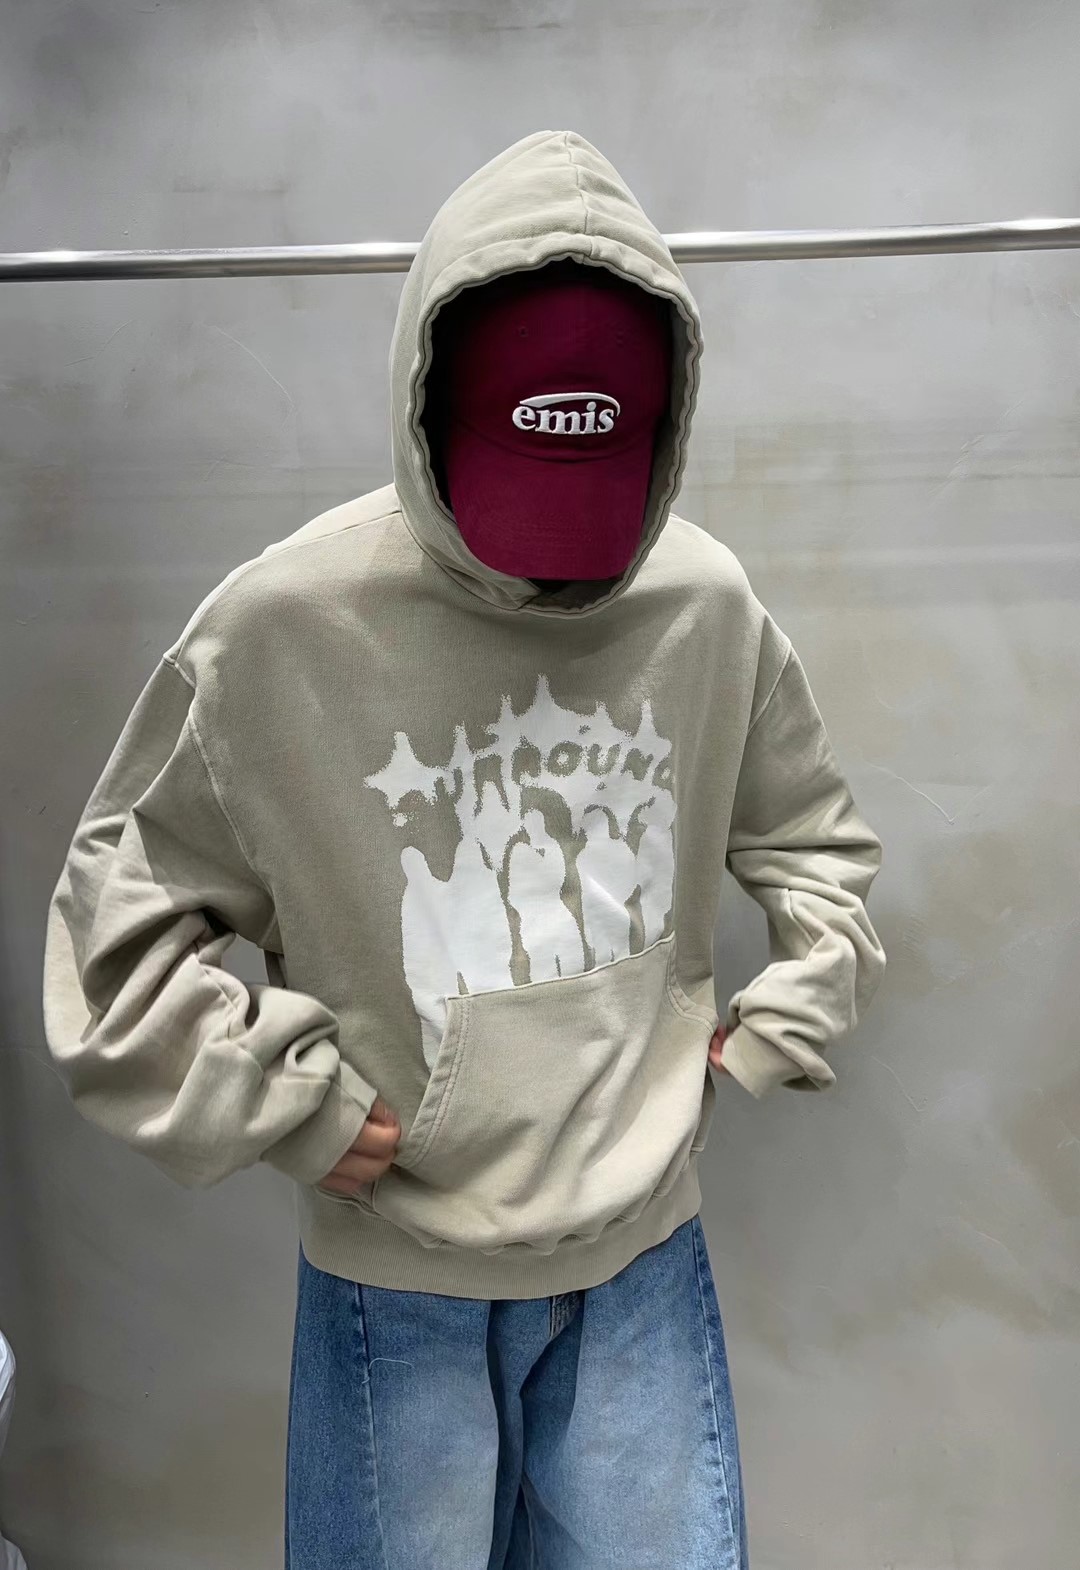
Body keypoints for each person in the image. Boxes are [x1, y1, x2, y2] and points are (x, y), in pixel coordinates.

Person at [42, 130, 887, 1569]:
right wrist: (279, 1095)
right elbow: (108, 943)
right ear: (423, 411)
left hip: (642, 1259)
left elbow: (816, 837)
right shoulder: (281, 629)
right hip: (399, 1283)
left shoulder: (703, 604)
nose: (553, 554)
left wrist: (788, 1012)